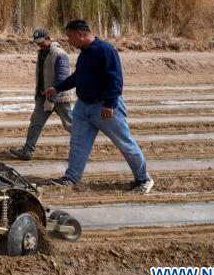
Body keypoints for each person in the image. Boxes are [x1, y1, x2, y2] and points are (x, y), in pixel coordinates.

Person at [44, 19, 154, 193]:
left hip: (104, 107)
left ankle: (143, 178)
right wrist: (57, 87)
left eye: (70, 37)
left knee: (124, 143)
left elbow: (116, 79)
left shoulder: (105, 50)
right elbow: (77, 76)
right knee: (78, 143)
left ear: (80, 34)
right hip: (83, 107)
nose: (69, 42)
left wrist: (110, 105)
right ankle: (71, 178)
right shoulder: (84, 53)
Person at [9, 28, 73, 160]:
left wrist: (52, 99)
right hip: (44, 95)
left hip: (60, 98)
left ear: (48, 39)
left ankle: (80, 151)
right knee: (35, 122)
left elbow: (62, 79)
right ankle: (28, 151)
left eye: (42, 42)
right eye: (37, 43)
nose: (39, 45)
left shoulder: (59, 54)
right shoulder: (42, 53)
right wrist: (40, 95)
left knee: (70, 125)